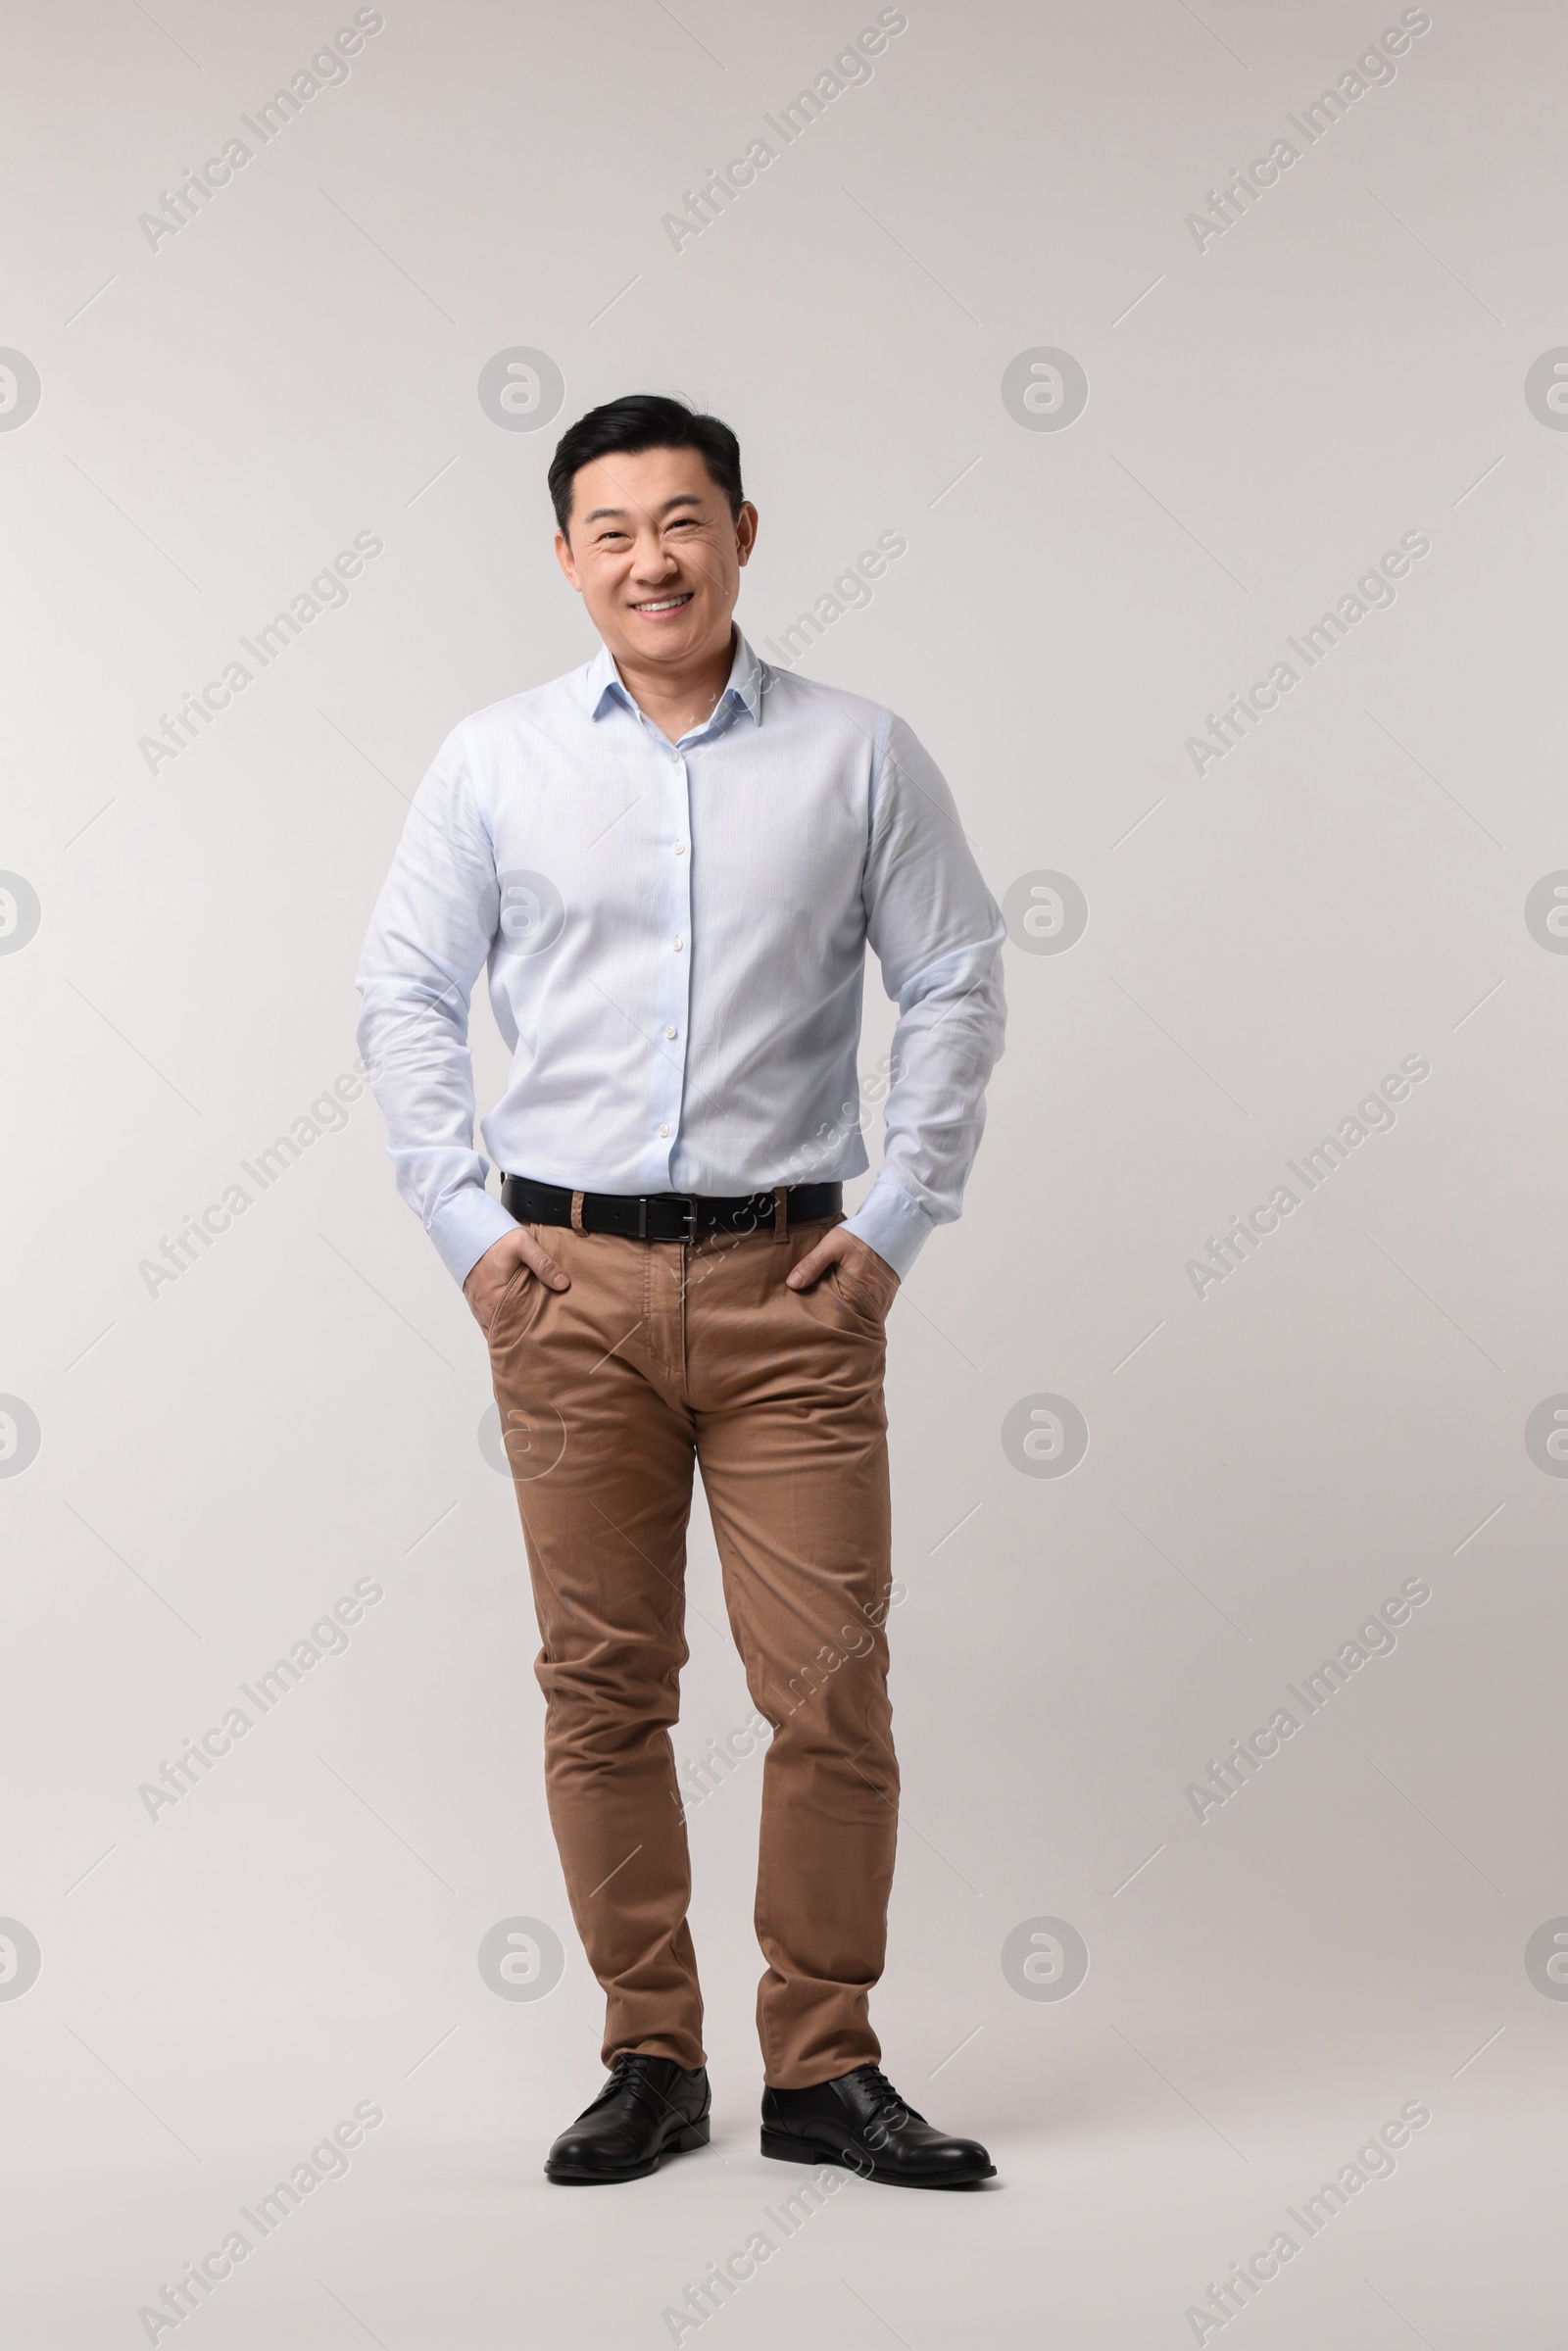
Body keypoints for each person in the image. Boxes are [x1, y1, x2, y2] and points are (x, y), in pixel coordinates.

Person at [356, 393, 1006, 2187]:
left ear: (742, 531)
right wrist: (474, 1242)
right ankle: (651, 2055)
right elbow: (403, 996)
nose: (654, 556)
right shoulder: (493, 763)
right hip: (563, 1291)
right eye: (614, 528)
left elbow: (954, 974)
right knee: (603, 1688)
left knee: (831, 1690)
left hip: (796, 1292)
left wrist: (896, 1221)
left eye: (685, 519)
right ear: (568, 558)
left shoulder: (860, 754)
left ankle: (822, 2065)